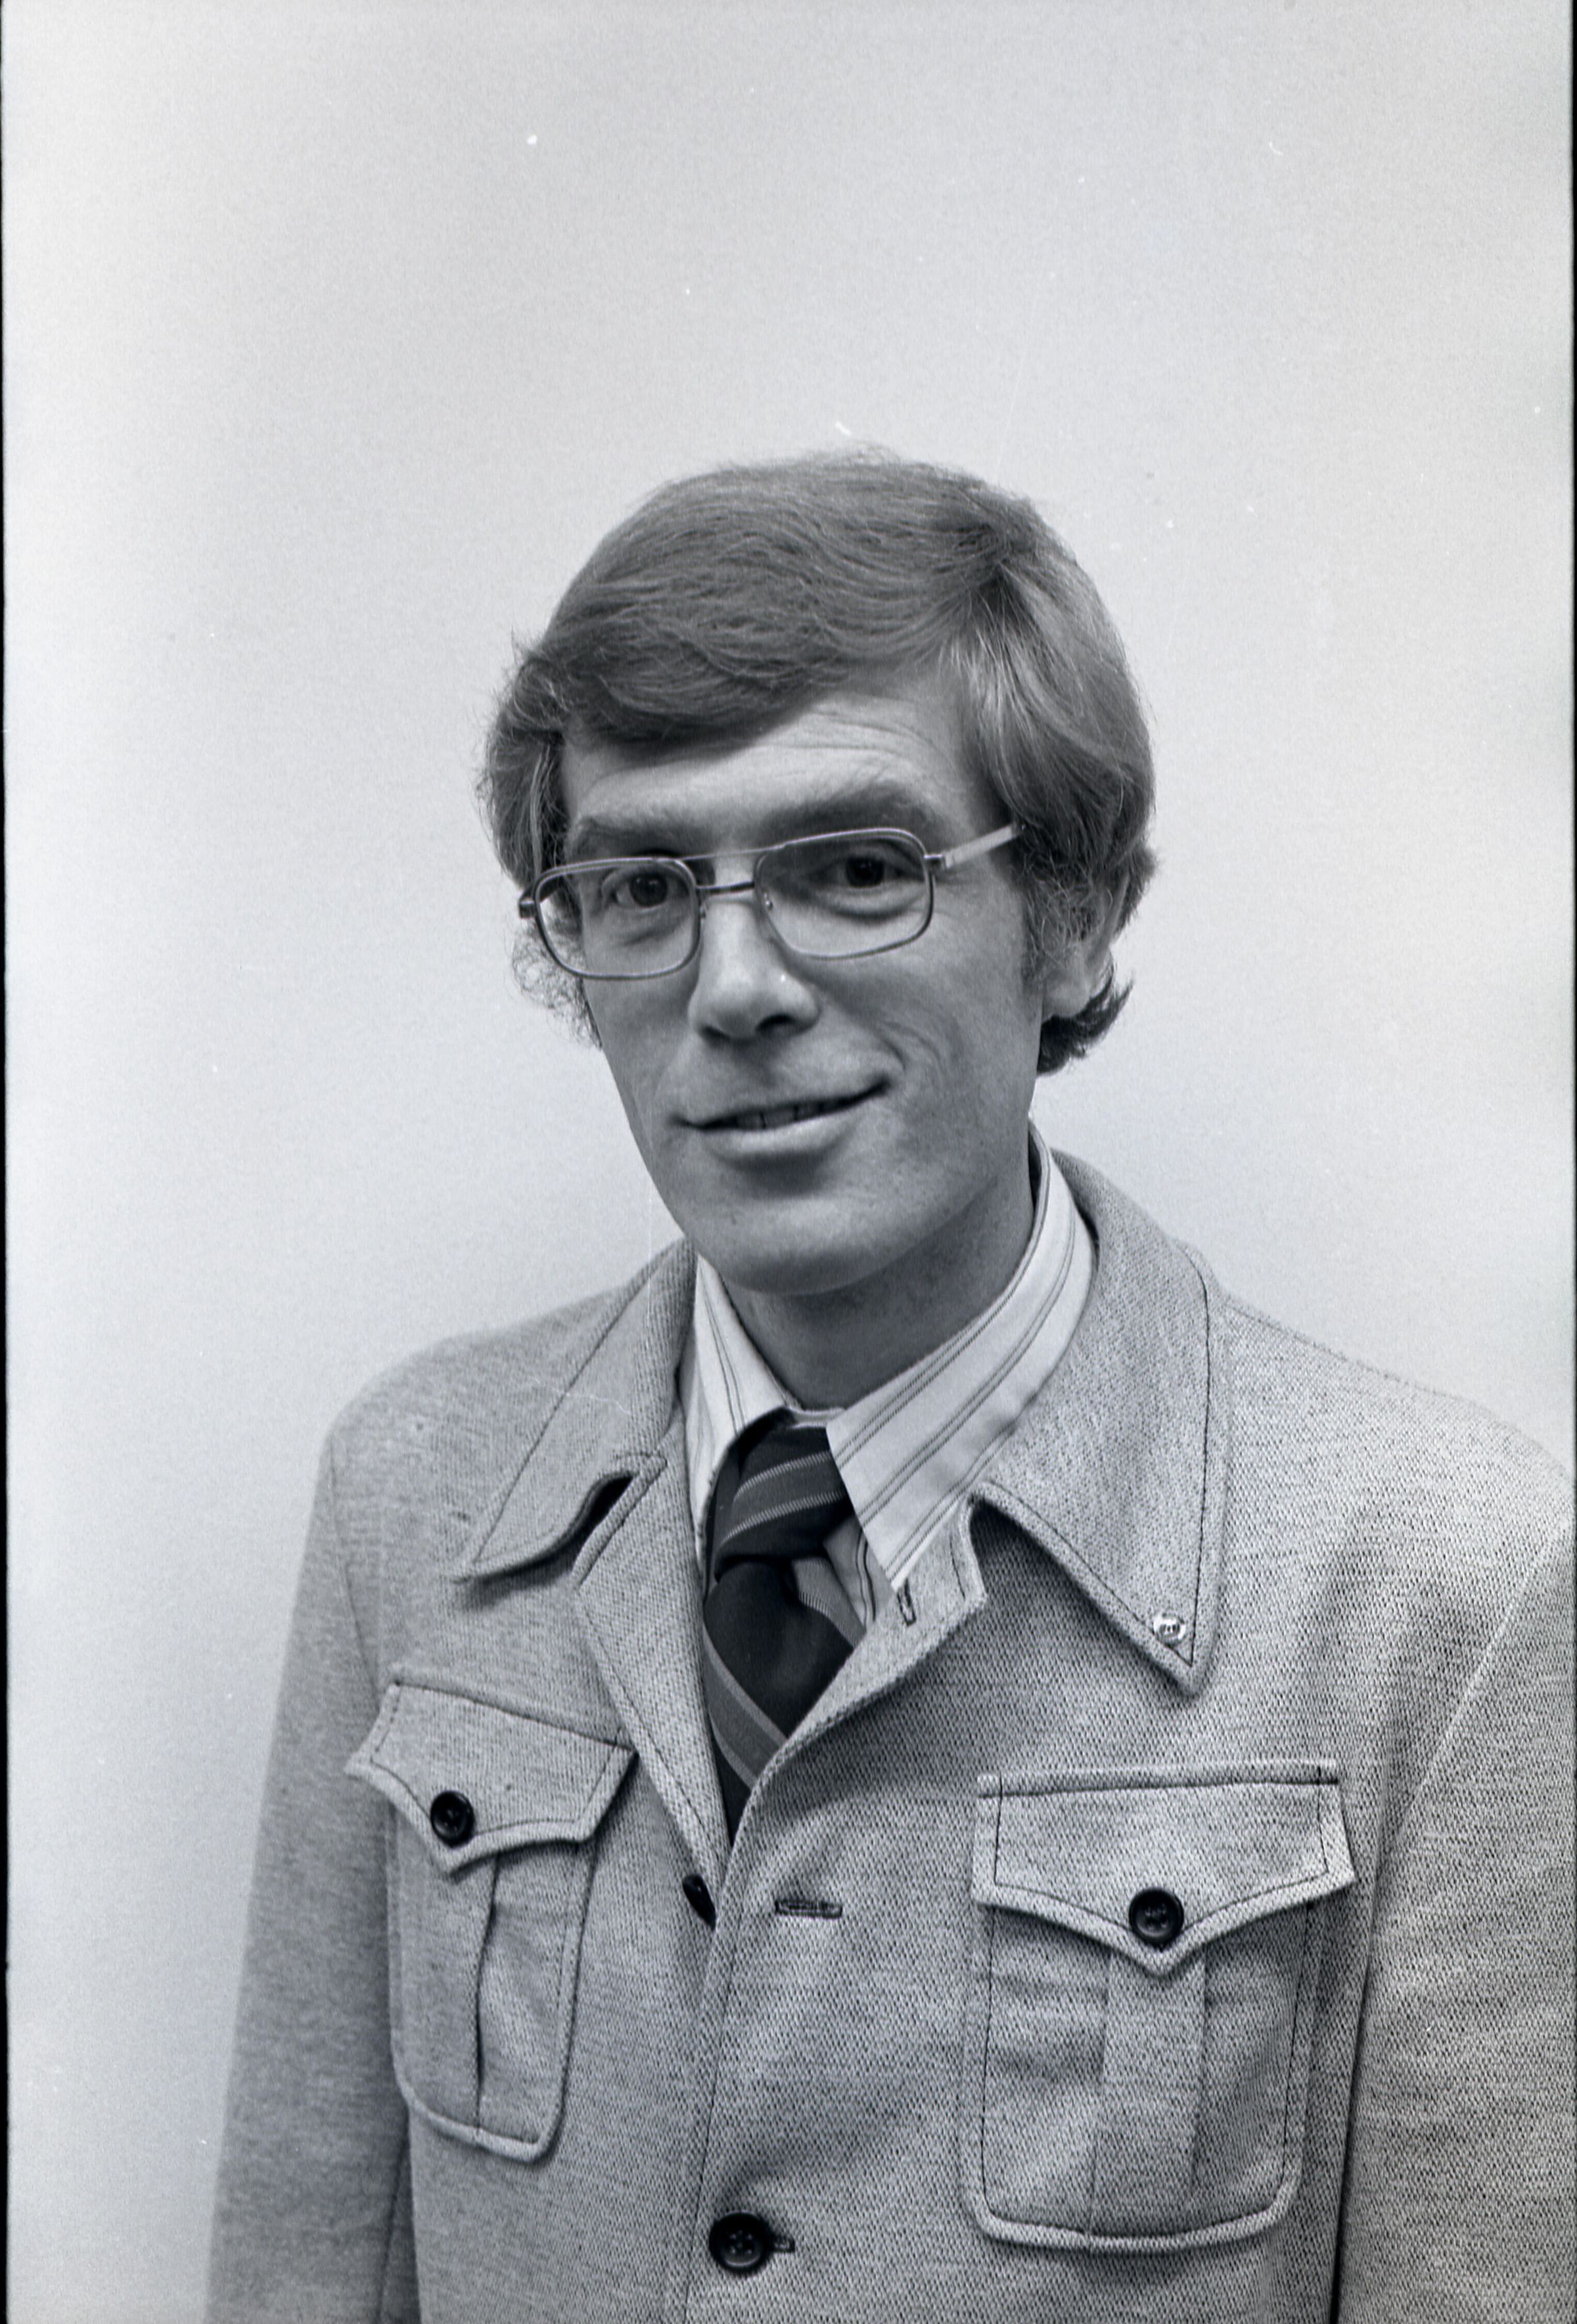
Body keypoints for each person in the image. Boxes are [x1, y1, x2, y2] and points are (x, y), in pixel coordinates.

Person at [208, 452, 1572, 2323]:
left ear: (1073, 918)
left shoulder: (1449, 1586)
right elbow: (304, 2251)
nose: (735, 985)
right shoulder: (412, 1492)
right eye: (642, 885)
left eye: (857, 868)